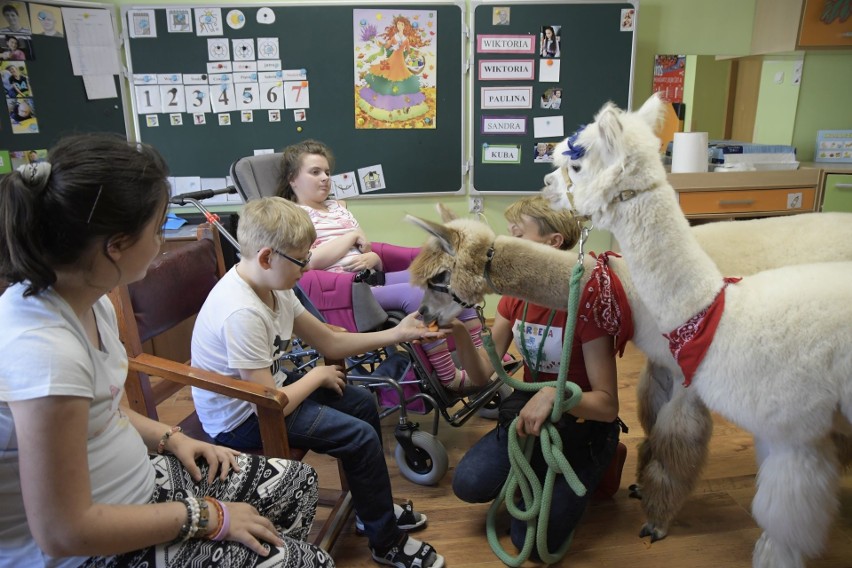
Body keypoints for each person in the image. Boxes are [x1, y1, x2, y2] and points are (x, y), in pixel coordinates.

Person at [0, 133, 335, 568]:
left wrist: (170, 438)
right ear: (115, 245)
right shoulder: (43, 350)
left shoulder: (90, 298)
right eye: (156, 228)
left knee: (297, 482)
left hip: (133, 488)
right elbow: (64, 531)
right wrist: (208, 516)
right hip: (87, 551)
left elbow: (102, 416)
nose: (160, 240)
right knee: (308, 562)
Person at [190, 196, 446, 568]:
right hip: (241, 419)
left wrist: (398, 335)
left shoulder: (276, 284)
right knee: (357, 437)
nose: (308, 267)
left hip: (269, 391)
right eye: (302, 260)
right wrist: (315, 376)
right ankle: (386, 542)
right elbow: (269, 402)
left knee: (360, 403)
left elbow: (329, 341)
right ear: (266, 258)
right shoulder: (242, 311)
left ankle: (367, 511)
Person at [448, 196, 625, 555]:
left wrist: (554, 396)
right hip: (528, 418)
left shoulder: (585, 302)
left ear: (552, 242)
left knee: (529, 541)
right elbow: (483, 374)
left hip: (583, 422)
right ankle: (538, 469)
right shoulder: (517, 297)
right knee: (468, 484)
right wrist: (459, 332)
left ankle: (607, 456)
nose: (506, 242)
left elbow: (607, 405)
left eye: (517, 233)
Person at [277, 139, 484, 393]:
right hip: (344, 292)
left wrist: (373, 257)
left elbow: (366, 246)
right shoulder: (294, 216)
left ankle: (480, 358)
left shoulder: (338, 208)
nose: (325, 178)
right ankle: (448, 375)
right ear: (292, 179)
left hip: (370, 278)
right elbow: (309, 261)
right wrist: (350, 238)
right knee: (422, 295)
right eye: (315, 172)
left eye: (327, 172)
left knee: (447, 280)